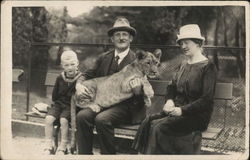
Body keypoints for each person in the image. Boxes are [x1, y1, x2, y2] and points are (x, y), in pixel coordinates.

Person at [132, 24, 217, 154]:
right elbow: (171, 87)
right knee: (148, 121)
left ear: (198, 43)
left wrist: (182, 110)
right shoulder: (183, 64)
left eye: (186, 43)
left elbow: (206, 100)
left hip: (197, 116)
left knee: (158, 127)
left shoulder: (208, 67)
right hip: (176, 110)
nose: (183, 46)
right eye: (181, 43)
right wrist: (169, 101)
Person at [75, 17, 143, 154]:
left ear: (131, 38)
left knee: (102, 119)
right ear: (112, 39)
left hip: (127, 107)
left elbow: (144, 94)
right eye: (117, 35)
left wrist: (138, 91)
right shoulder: (104, 57)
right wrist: (78, 85)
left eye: (125, 34)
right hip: (102, 103)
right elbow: (87, 75)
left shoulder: (138, 60)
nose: (121, 38)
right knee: (82, 116)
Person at [44, 50, 82, 155]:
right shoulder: (60, 78)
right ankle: (48, 145)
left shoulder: (81, 78)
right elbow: (54, 96)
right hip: (59, 104)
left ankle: (63, 146)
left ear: (77, 63)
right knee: (48, 119)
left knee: (63, 120)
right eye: (66, 65)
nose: (70, 67)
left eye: (72, 64)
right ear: (62, 66)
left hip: (72, 106)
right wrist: (56, 106)